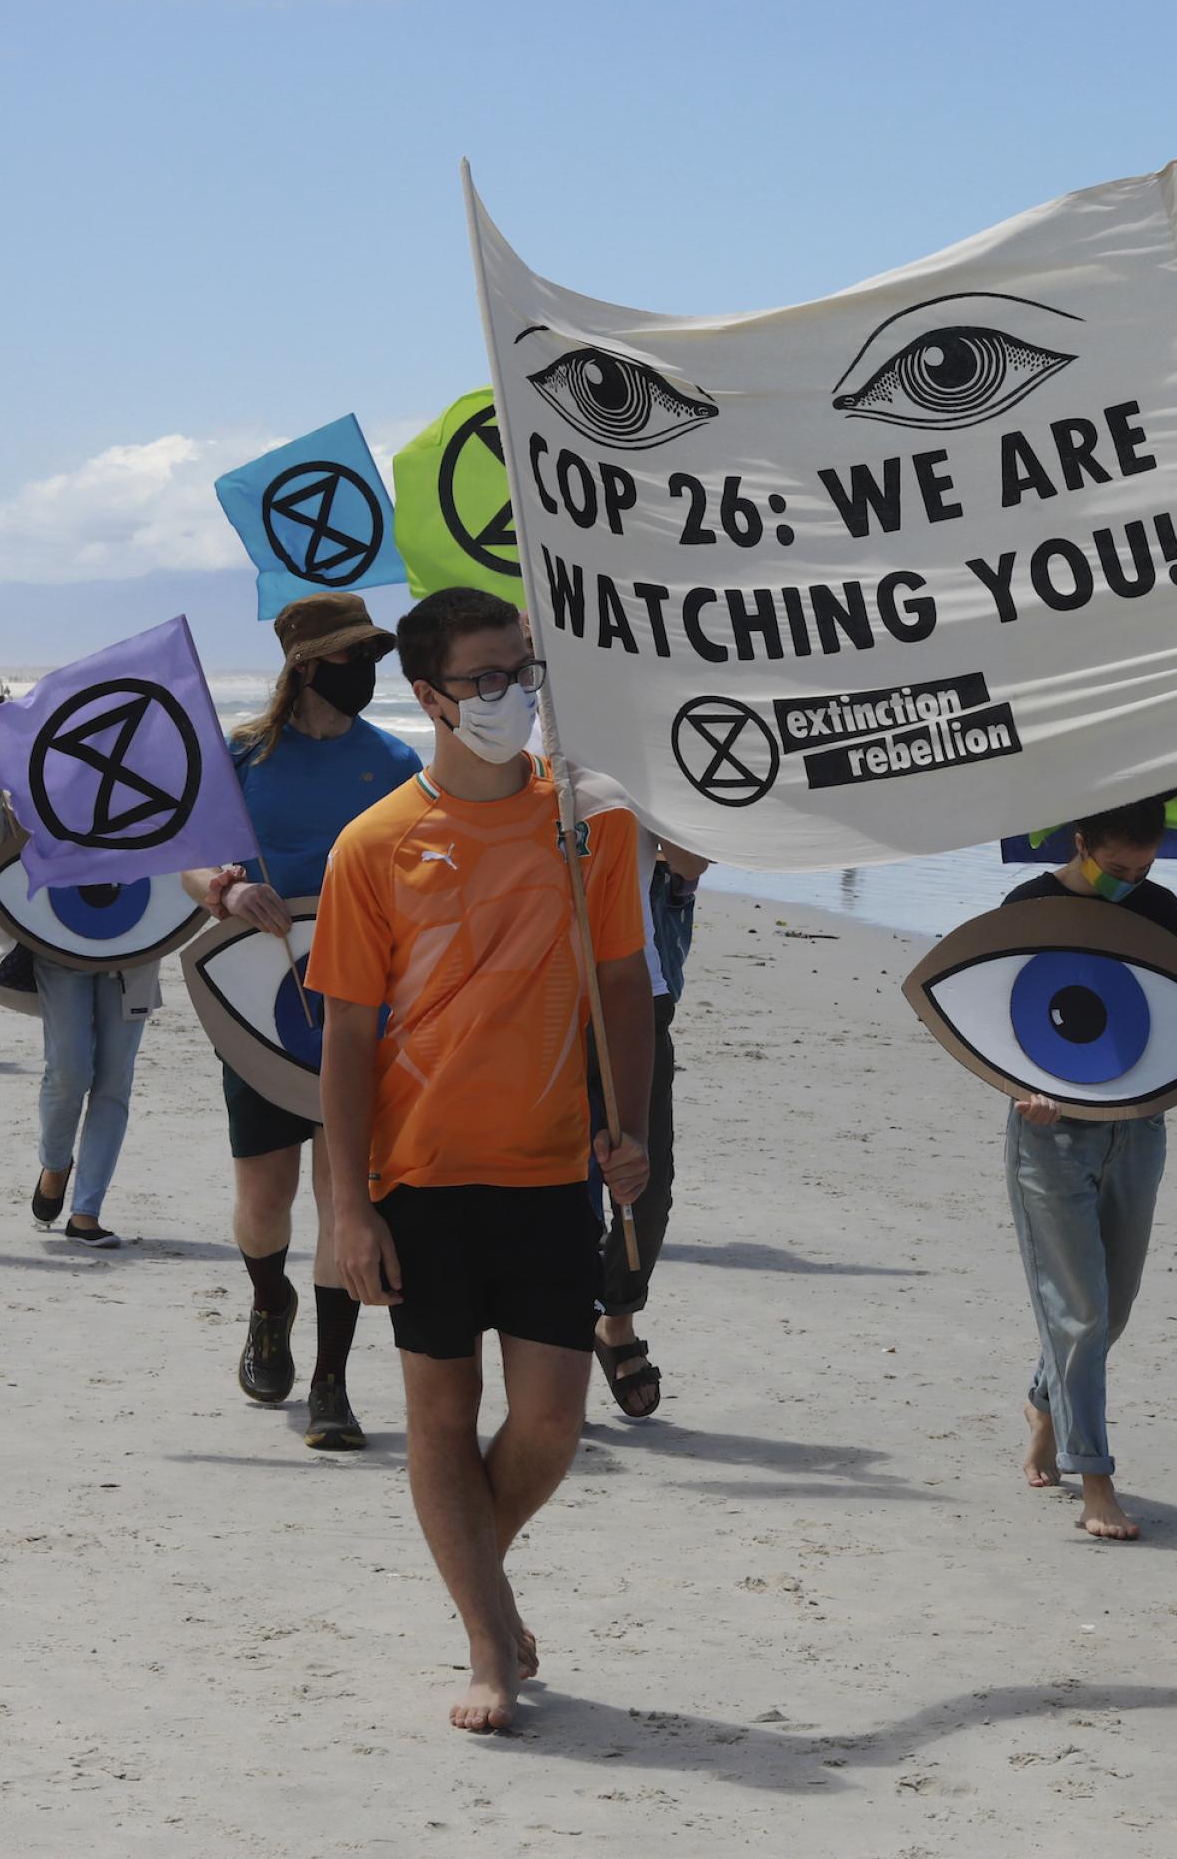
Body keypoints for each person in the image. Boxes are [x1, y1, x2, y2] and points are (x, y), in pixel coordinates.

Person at [314, 585, 651, 1736]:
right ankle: (487, 1639)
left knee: (552, 1421)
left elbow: (621, 988)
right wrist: (346, 1205)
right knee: (440, 1422)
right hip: (420, 1179)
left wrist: (633, 1126)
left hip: (551, 1169)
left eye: (525, 673)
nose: (511, 695)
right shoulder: (375, 844)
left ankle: (479, 1581)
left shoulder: (590, 822)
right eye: (486, 679)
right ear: (430, 698)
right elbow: (347, 1034)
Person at [178, 590, 419, 1451]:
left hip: (361, 1010)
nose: (369, 670)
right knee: (263, 1202)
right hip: (259, 1006)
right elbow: (187, 855)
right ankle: (268, 1298)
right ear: (310, 664)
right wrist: (224, 888)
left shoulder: (393, 759)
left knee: (342, 1194)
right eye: (355, 655)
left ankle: (332, 1384)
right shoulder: (244, 753)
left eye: (374, 654)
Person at [1003, 796, 1177, 1543]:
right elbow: (997, 1012)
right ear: (1079, 842)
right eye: (1116, 868)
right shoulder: (1029, 905)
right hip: (1049, 1136)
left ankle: (1045, 1401)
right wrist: (1020, 1083)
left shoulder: (1161, 907)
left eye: (1143, 868)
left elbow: (1171, 1007)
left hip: (1137, 1128)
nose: (1130, 881)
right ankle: (1094, 1475)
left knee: (1115, 1306)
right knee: (1077, 1307)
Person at [0, 775, 153, 1246]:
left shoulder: (158, 786)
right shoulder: (47, 778)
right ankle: (55, 1163)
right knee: (69, 1069)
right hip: (58, 943)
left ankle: (86, 1212)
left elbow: (181, 860)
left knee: (114, 1083)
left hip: (131, 950)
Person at [583, 832, 705, 1421]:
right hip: (538, 994)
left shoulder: (639, 761)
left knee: (646, 1190)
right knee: (561, 1189)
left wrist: (675, 827)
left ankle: (617, 1320)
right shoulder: (517, 760)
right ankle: (556, 1336)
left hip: (638, 989)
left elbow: (693, 862)